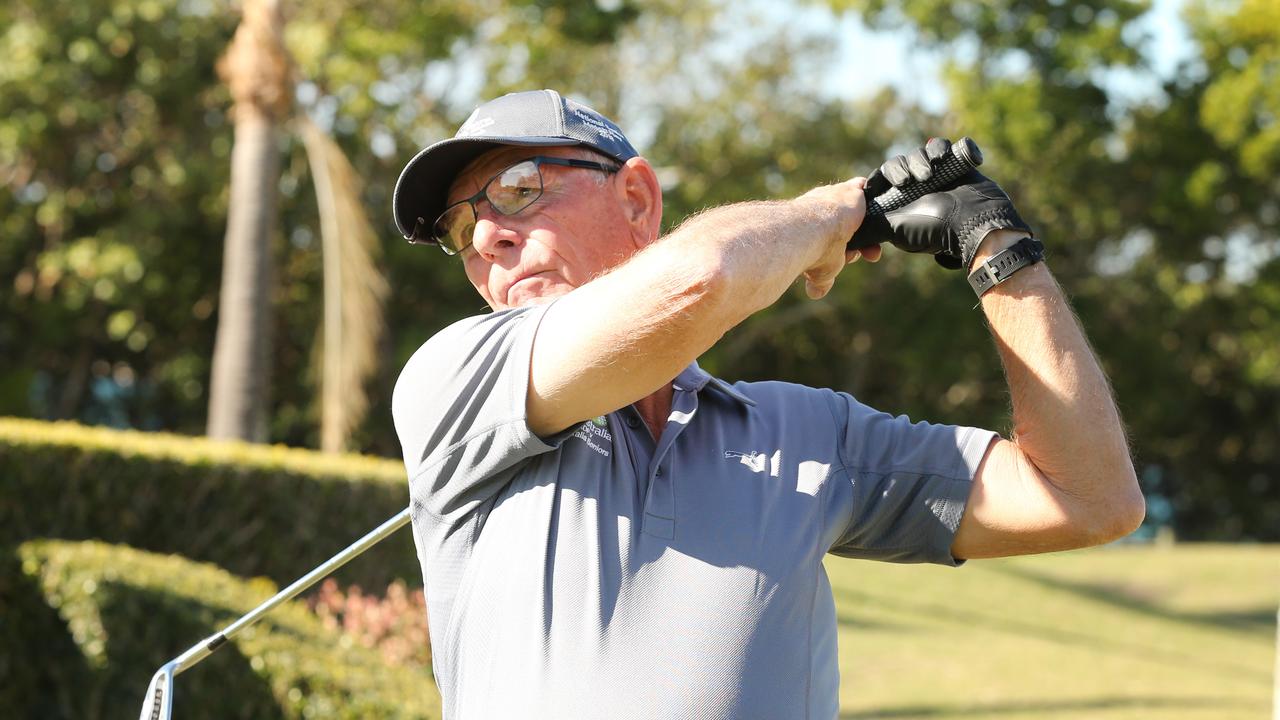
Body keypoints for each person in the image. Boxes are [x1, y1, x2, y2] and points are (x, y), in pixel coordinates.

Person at [389, 89, 1144, 719]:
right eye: (461, 227)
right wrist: (830, 214)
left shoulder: (806, 432)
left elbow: (1088, 498)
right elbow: (702, 277)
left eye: (519, 188)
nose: (487, 235)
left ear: (637, 198)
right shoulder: (453, 380)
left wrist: (997, 249)